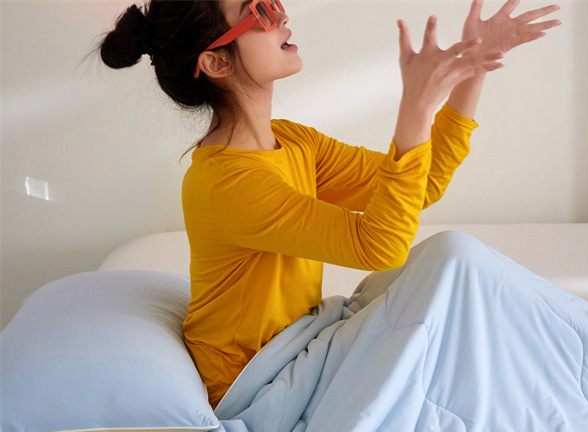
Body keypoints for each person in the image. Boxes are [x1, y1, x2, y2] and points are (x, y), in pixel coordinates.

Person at [96, 0, 561, 408]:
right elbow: (379, 248)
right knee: (454, 278)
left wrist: (474, 69)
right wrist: (415, 109)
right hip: (256, 384)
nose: (282, 16)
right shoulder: (227, 184)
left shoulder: (292, 141)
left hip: (303, 346)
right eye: (259, 10)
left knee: (452, 261)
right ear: (217, 62)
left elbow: (422, 184)